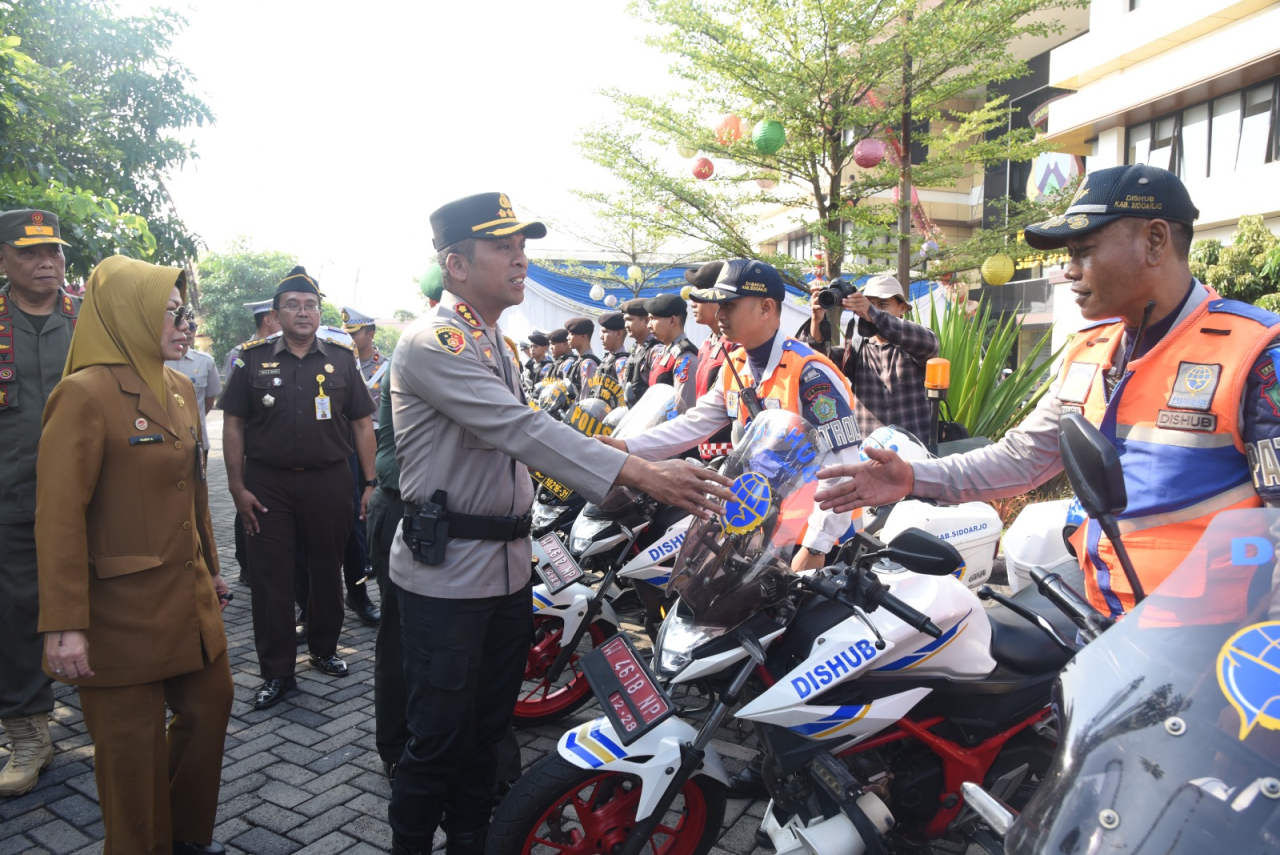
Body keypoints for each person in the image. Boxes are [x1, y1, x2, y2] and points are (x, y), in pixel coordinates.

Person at [386, 191, 732, 855]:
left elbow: (542, 432)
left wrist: (633, 453)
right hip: (449, 579)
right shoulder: (435, 341)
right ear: (456, 263)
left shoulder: (497, 342)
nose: (521, 258)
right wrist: (638, 473)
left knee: (487, 737)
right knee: (435, 741)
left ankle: (468, 842)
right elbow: (522, 429)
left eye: (523, 245)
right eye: (503, 247)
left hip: (502, 571)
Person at [815, 164, 1280, 620]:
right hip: (1103, 627)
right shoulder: (1089, 353)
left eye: (1084, 251)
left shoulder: (1256, 352)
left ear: (1155, 241)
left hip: (1215, 647)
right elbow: (1022, 457)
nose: (1069, 271)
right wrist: (914, 478)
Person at [36, 255, 232, 855]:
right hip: (116, 612)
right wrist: (65, 625)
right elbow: (60, 515)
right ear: (129, 313)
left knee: (210, 707)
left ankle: (182, 838)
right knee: (131, 756)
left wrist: (215, 571)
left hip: (186, 596)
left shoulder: (176, 385)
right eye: (172, 312)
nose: (186, 325)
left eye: (187, 312)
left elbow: (194, 489)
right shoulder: (84, 394)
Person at [219, 266, 378, 710]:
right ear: (276, 314)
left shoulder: (342, 359)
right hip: (267, 482)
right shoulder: (251, 359)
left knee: (327, 568)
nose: (303, 312)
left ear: (319, 312)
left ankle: (324, 649)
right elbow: (232, 423)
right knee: (271, 578)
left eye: (310, 305)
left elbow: (363, 424)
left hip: (329, 479)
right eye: (292, 305)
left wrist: (369, 482)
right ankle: (277, 671)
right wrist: (236, 486)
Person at [0, 209, 78, 798]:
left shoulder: (90, 322)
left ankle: (118, 714)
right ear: (4, 258)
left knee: (111, 604)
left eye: (52, 249)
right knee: (19, 618)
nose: (45, 260)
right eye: (28, 252)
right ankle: (30, 733)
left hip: (92, 500)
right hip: (13, 502)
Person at [803, 272, 939, 442]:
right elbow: (820, 360)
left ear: (902, 308)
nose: (873, 310)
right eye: (870, 304)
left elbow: (929, 343)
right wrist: (817, 318)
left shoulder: (914, 341)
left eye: (882, 304)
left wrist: (870, 311)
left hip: (913, 455)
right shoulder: (858, 347)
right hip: (869, 456)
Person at [338, 305, 385, 627]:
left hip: (377, 443)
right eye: (348, 334)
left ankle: (359, 593)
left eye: (355, 333)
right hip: (340, 446)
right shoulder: (338, 362)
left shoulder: (388, 366)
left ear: (369, 334)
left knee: (363, 516)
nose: (351, 339)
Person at [688, 262, 734, 461]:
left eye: (699, 296)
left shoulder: (737, 346)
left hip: (730, 455)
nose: (692, 303)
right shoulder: (708, 342)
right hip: (704, 448)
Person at [165, 320, 222, 464]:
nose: (188, 331)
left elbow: (209, 400)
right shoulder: (160, 360)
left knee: (197, 484)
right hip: (165, 439)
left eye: (192, 327)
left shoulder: (205, 361)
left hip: (196, 439)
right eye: (185, 327)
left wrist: (191, 418)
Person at [645, 292, 699, 412]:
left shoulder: (685, 358)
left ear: (672, 321)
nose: (649, 325)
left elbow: (684, 409)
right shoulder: (664, 350)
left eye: (653, 319)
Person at [222, 299, 280, 381]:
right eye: (278, 318)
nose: (284, 322)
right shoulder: (239, 353)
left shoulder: (283, 350)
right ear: (267, 320)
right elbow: (233, 391)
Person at [621, 297, 659, 405]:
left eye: (630, 320)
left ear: (646, 321)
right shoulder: (636, 349)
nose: (626, 325)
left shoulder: (655, 350)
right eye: (625, 321)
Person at [564, 316, 599, 396]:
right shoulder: (579, 361)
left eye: (571, 334)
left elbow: (586, 398)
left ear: (583, 337)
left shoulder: (588, 364)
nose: (567, 337)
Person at [596, 311, 629, 384]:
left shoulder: (621, 362)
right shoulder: (607, 358)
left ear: (618, 334)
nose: (601, 337)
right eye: (601, 332)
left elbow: (623, 392)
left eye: (605, 332)